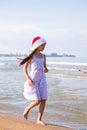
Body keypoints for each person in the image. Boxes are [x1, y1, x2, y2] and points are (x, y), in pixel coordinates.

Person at [19, 36, 48, 125]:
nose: (44, 47)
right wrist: (29, 79)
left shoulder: (43, 56)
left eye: (44, 45)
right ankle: (27, 109)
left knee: (43, 100)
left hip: (42, 80)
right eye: (42, 45)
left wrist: (46, 69)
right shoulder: (31, 56)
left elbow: (45, 67)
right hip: (33, 81)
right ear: (37, 45)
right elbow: (24, 69)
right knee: (37, 101)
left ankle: (39, 119)